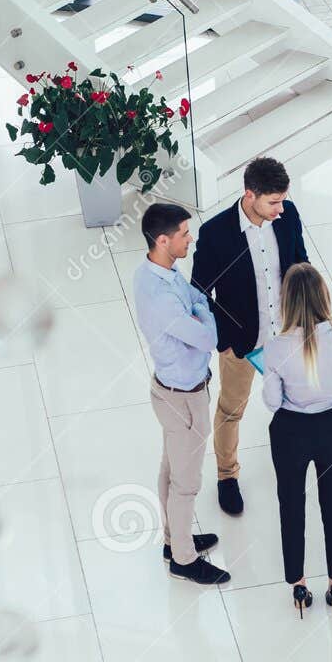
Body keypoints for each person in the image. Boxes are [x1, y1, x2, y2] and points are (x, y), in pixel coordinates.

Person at [190, 156, 308, 517]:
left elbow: (301, 265)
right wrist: (224, 338)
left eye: (283, 199)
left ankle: (297, 462)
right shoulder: (216, 233)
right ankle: (227, 476)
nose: (280, 208)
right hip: (241, 342)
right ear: (250, 194)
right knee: (230, 409)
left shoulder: (286, 217)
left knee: (297, 403)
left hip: (286, 334)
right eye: (273, 201)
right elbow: (199, 292)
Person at [133, 201, 231, 585]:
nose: (190, 239)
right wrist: (202, 312)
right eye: (184, 234)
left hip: (171, 389)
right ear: (163, 240)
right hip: (184, 396)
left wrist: (199, 306)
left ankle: (175, 539)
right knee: (186, 481)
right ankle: (184, 560)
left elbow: (197, 300)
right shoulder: (162, 297)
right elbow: (209, 335)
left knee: (171, 468)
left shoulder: (156, 272)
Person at [262, 264, 332, 617]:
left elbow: (272, 402)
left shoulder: (276, 348)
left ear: (286, 301)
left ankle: (298, 583)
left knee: (291, 505)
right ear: (323, 296)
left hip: (290, 431)